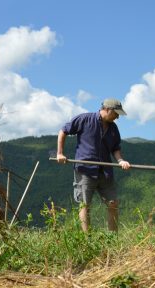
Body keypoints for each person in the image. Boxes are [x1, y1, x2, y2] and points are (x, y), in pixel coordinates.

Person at [56, 98, 131, 232]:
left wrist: (121, 160)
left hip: (105, 171)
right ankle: (87, 240)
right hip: (85, 169)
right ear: (107, 110)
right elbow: (63, 131)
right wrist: (60, 153)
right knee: (85, 205)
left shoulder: (113, 128)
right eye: (116, 113)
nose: (118, 117)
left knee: (113, 203)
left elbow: (115, 148)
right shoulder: (84, 119)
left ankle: (112, 238)